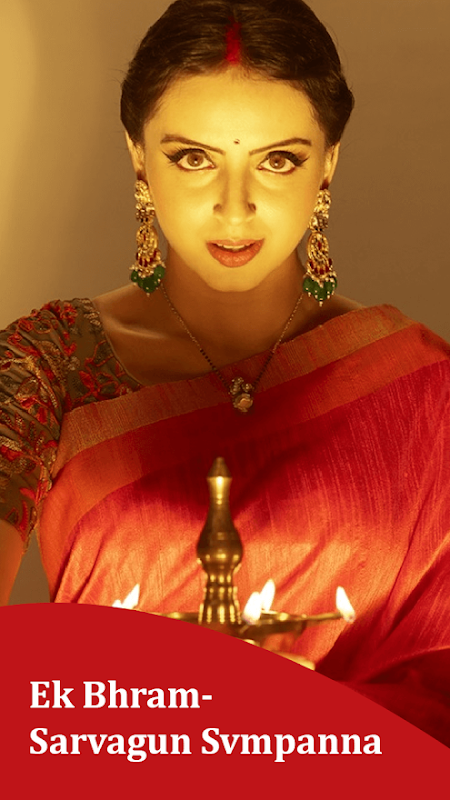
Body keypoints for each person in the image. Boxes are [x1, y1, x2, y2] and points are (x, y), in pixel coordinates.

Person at [1, 0, 449, 745]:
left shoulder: (425, 390)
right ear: (138, 156)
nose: (234, 208)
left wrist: (290, 736)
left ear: (328, 162)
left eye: (278, 160)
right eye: (193, 158)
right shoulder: (50, 367)